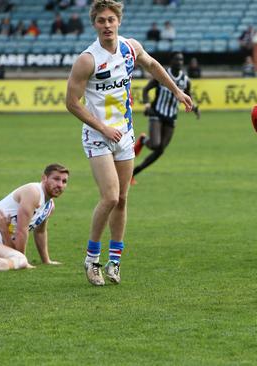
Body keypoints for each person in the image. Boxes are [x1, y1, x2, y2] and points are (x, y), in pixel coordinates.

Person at [65, 0, 193, 286]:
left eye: (111, 20)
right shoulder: (87, 59)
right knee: (109, 197)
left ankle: (115, 261)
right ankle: (91, 259)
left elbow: (153, 66)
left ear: (119, 21)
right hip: (98, 135)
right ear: (94, 24)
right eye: (101, 21)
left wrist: (176, 91)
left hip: (125, 134)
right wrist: (102, 127)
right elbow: (71, 103)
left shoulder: (130, 48)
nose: (107, 25)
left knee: (123, 198)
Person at [133, 52, 200, 184]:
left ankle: (134, 172)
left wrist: (195, 109)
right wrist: (147, 106)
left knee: (160, 150)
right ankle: (143, 139)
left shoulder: (185, 80)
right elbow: (146, 90)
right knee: (155, 144)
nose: (179, 62)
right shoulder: (162, 75)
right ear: (172, 61)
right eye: (177, 59)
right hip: (156, 113)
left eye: (181, 60)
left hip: (171, 117)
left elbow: (188, 97)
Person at [0, 164, 69, 272]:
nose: (60, 185)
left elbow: (40, 232)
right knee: (18, 259)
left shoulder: (50, 206)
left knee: (14, 258)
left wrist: (46, 260)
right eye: (56, 179)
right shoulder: (33, 192)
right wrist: (23, 260)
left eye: (64, 181)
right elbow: (21, 230)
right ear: (44, 178)